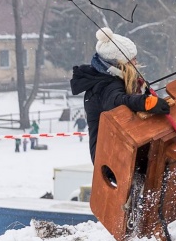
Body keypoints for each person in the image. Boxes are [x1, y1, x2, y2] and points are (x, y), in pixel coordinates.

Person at [70, 27, 170, 163]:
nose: (135, 63)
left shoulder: (110, 79)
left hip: (120, 151)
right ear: (120, 64)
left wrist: (141, 91)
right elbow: (116, 102)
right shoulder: (104, 84)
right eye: (132, 60)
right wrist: (145, 102)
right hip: (111, 158)